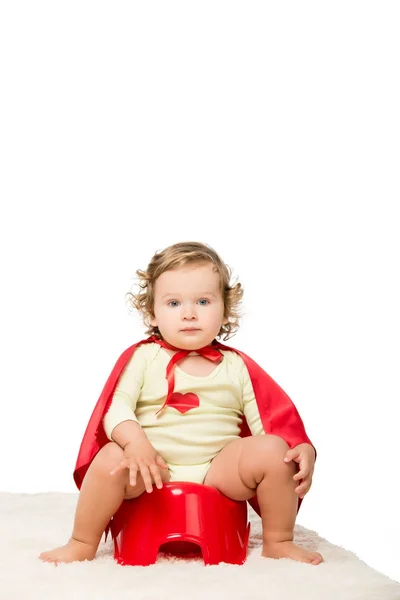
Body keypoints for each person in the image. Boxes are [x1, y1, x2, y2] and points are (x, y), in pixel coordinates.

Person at [39, 241, 323, 566]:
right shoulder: (144, 357)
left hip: (219, 470)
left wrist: (301, 447)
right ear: (152, 312)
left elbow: (270, 421)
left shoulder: (236, 366)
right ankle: (82, 541)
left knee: (275, 450)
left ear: (226, 309)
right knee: (110, 458)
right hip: (150, 469)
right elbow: (115, 409)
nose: (189, 313)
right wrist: (136, 443)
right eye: (173, 303)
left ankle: (279, 540)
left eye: (203, 301)